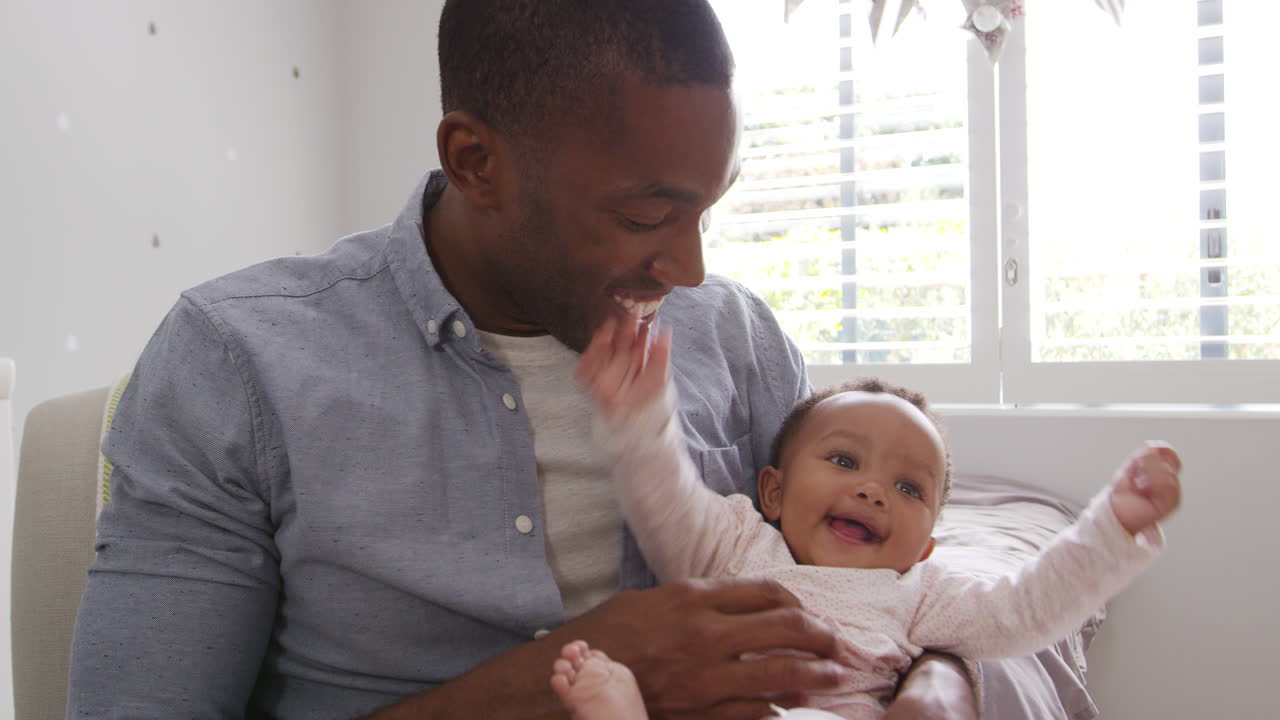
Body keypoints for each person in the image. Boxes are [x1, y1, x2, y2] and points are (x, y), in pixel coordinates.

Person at [67, 1, 1052, 718]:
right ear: (474, 162)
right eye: (642, 215)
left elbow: (894, 586)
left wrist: (937, 684)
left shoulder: (741, 344)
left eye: (706, 209)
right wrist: (552, 684)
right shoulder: (239, 363)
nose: (688, 268)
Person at [565, 316, 1183, 719]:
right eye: (842, 459)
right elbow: (665, 503)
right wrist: (641, 420)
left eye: (908, 487)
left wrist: (1112, 528)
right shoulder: (736, 544)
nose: (872, 491)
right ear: (773, 493)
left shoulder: (918, 595)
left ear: (924, 547)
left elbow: (1026, 608)